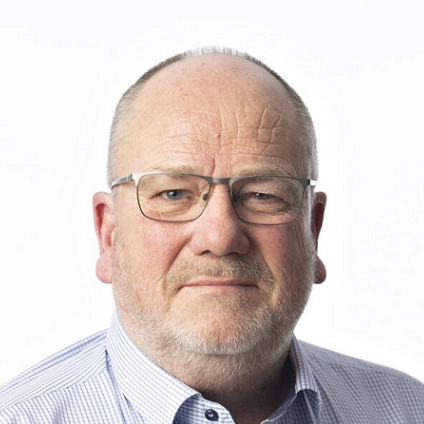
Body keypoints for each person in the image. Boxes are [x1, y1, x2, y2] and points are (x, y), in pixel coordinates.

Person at [0, 48, 423, 424]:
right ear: (108, 233)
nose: (220, 237)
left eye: (262, 195)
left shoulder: (409, 410)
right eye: (173, 194)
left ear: (312, 230)